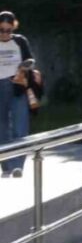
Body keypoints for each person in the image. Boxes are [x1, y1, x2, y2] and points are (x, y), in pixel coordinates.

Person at [0, 11, 33, 178]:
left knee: (21, 126)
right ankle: (6, 166)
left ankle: (18, 166)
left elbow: (30, 60)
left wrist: (24, 67)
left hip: (17, 85)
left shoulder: (20, 41)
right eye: (2, 30)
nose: (5, 34)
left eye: (9, 30)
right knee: (2, 127)